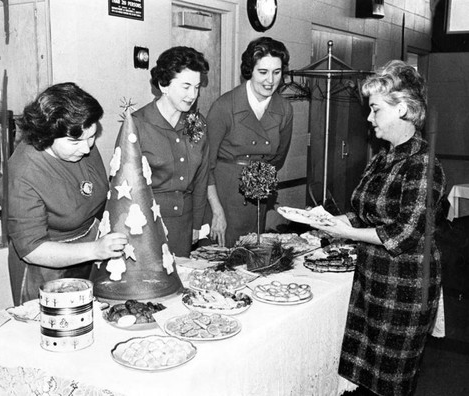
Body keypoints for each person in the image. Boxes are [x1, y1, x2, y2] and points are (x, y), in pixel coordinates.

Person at [309, 60, 446, 396]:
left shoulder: (424, 165)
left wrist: (346, 234)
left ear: (402, 109)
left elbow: (402, 234)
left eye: (375, 110)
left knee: (390, 385)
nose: (369, 120)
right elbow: (368, 214)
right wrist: (335, 221)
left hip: (404, 288)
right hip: (372, 280)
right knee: (367, 381)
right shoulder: (383, 157)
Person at [0, 82, 128, 305]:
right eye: (75, 141)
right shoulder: (22, 174)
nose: (87, 148)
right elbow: (33, 250)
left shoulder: (80, 142)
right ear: (47, 135)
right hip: (45, 269)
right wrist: (95, 249)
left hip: (90, 253)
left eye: (92, 137)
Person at [206, 37, 293, 247]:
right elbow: (205, 166)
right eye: (262, 72)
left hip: (257, 198)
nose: (270, 80)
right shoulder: (225, 106)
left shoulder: (284, 109)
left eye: (277, 72)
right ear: (249, 71)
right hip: (222, 197)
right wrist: (216, 211)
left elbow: (278, 158)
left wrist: (260, 186)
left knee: (253, 259)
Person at [126, 46, 210, 257]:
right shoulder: (137, 124)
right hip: (146, 224)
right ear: (164, 85)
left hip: (185, 223)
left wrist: (197, 225)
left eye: (197, 87)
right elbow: (125, 185)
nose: (193, 95)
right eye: (186, 86)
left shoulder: (198, 124)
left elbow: (201, 179)